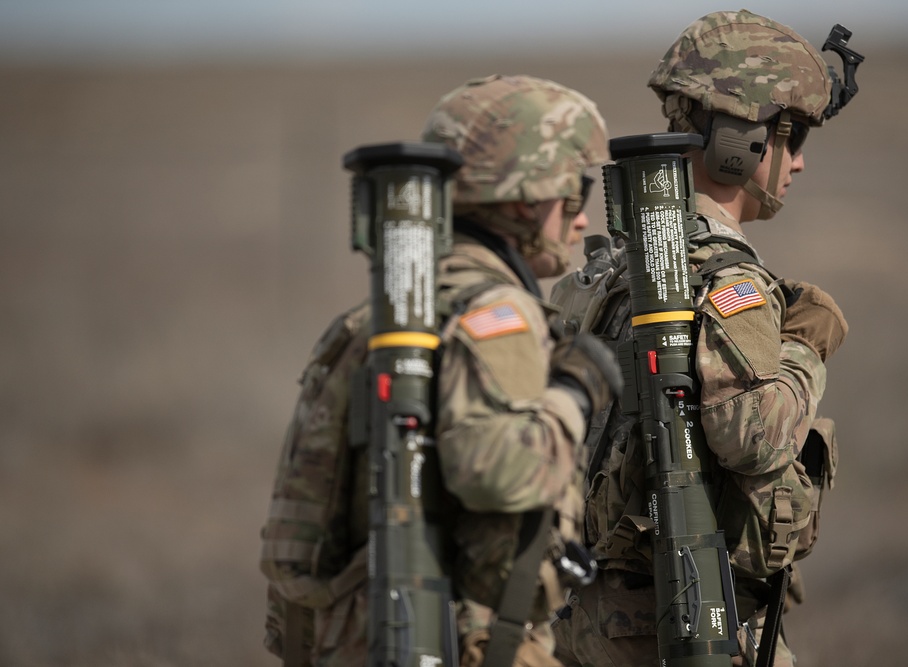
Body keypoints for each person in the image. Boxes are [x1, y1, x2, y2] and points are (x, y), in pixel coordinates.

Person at [261, 73, 623, 667]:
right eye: (572, 197)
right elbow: (495, 469)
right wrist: (574, 392)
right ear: (525, 199)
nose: (581, 221)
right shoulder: (497, 313)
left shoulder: (376, 317)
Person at [550, 10, 852, 667]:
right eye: (791, 135)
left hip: (587, 621)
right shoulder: (725, 273)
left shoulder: (612, 267)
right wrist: (805, 346)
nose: (798, 162)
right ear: (740, 140)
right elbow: (755, 436)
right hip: (681, 621)